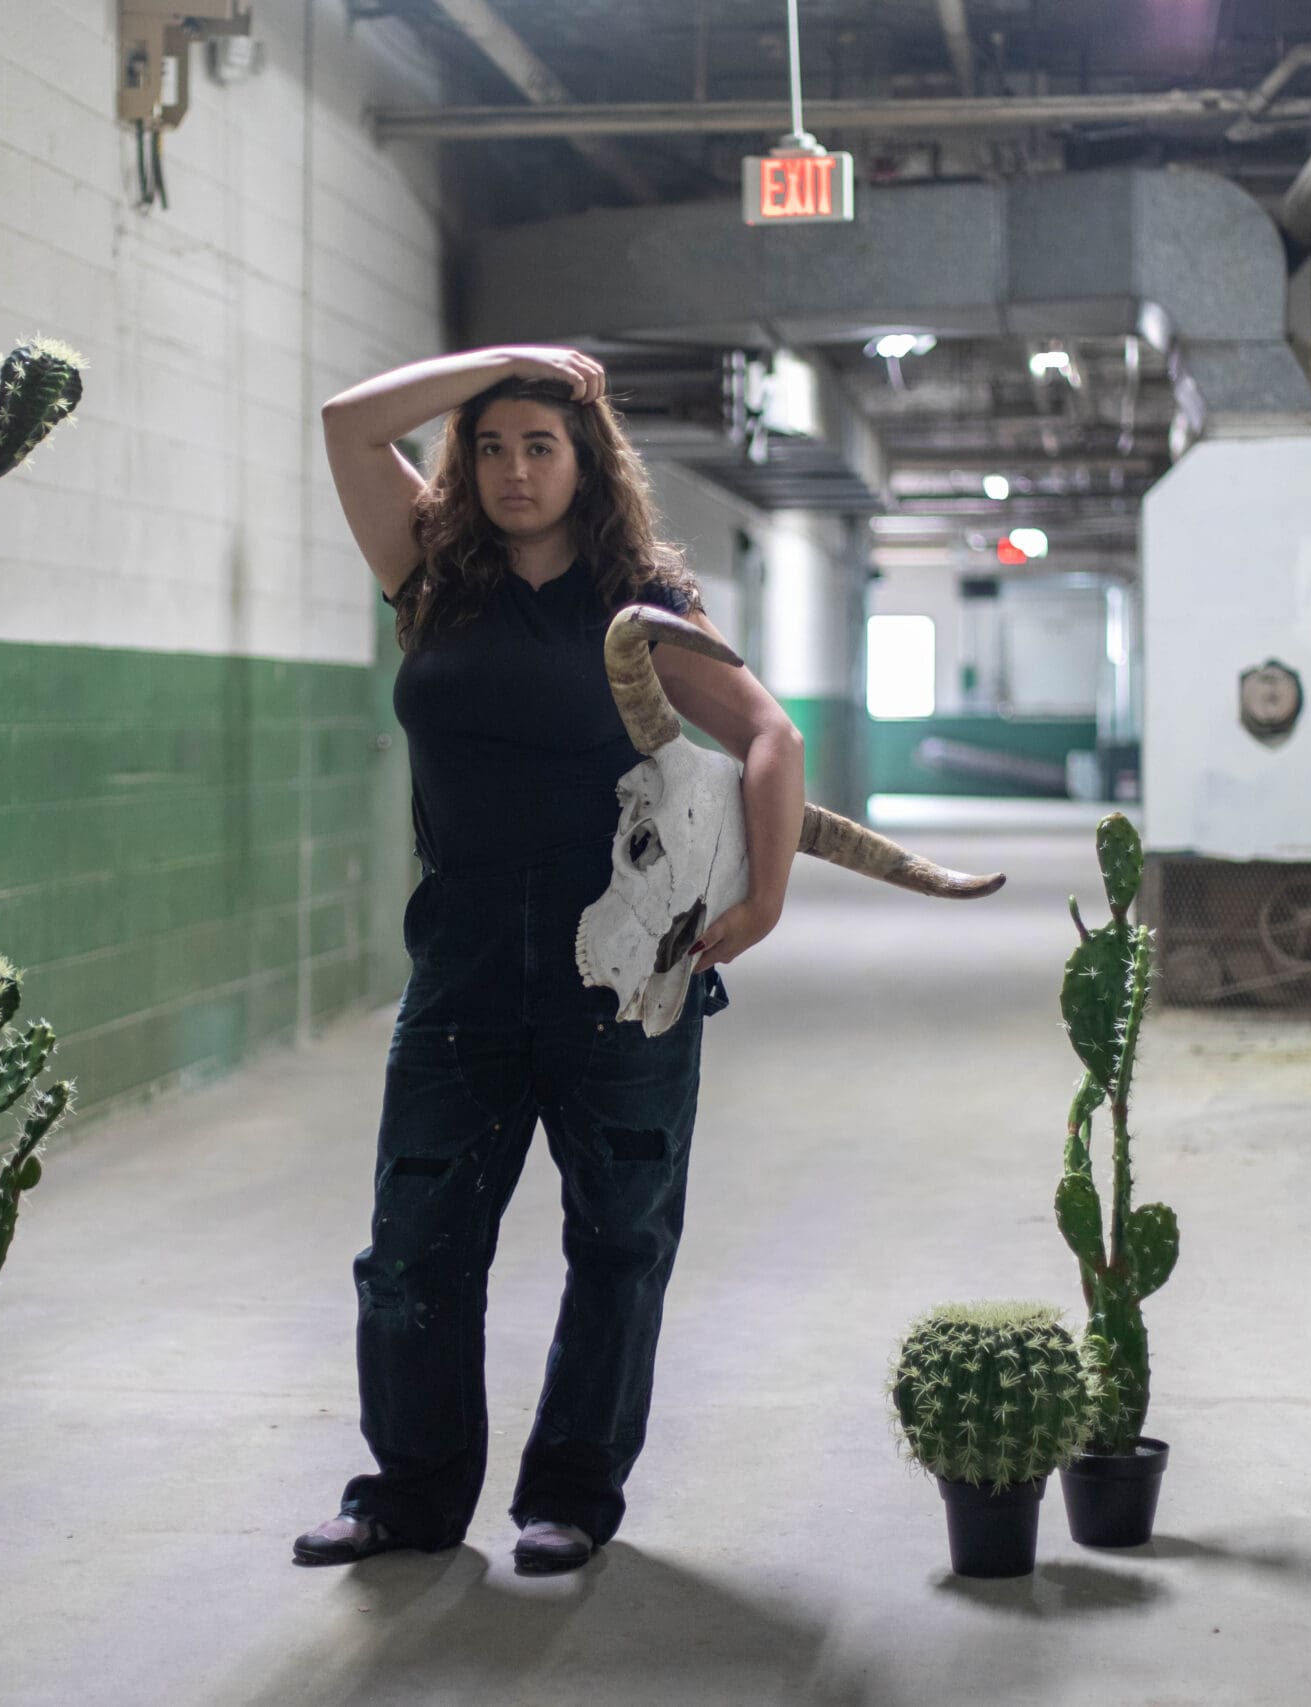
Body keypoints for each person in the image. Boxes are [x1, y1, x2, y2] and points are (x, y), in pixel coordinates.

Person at [294, 346, 806, 1575]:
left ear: (587, 465)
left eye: (541, 444)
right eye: (490, 445)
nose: (515, 470)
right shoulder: (431, 579)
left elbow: (768, 733)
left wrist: (768, 894)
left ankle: (568, 1497)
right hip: (463, 964)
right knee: (414, 1244)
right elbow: (347, 425)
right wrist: (510, 363)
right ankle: (409, 1497)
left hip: (624, 972)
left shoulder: (639, 611)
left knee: (619, 1240)